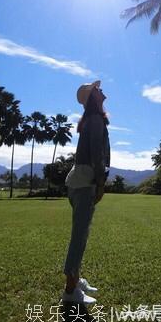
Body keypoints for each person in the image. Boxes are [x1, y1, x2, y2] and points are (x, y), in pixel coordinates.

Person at [62, 80, 110, 304]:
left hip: (77, 182)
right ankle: (70, 292)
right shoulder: (96, 120)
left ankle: (76, 279)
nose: (101, 90)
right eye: (97, 89)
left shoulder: (92, 119)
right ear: (93, 97)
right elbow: (96, 155)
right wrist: (100, 183)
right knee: (79, 237)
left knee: (81, 233)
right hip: (85, 183)